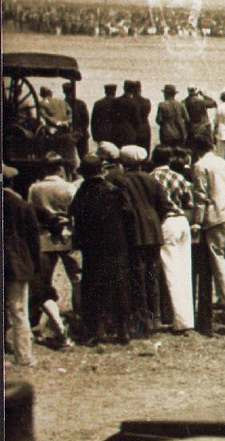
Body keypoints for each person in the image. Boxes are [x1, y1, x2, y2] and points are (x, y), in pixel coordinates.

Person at [69, 154, 134, 345]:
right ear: (101, 170)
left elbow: (74, 216)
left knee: (94, 287)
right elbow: (128, 215)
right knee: (119, 285)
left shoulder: (82, 193)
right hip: (116, 245)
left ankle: (98, 329)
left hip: (92, 248)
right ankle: (123, 329)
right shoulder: (113, 190)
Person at [116, 145, 171, 336]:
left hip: (135, 234)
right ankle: (155, 317)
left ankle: (141, 321)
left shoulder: (121, 182)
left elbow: (125, 209)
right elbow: (165, 205)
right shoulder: (151, 180)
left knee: (137, 278)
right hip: (154, 232)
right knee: (152, 275)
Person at [191, 132, 225, 315]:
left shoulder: (200, 166)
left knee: (218, 258)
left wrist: (197, 222)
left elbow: (201, 196)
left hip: (218, 214)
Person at [149, 146, 196, 333]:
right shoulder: (179, 177)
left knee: (170, 272)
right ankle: (186, 317)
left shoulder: (152, 178)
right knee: (184, 270)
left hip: (166, 222)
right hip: (182, 221)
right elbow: (189, 203)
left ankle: (178, 320)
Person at [27, 153, 81, 313]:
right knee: (76, 277)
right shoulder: (69, 187)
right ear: (60, 169)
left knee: (44, 280)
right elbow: (75, 212)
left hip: (44, 237)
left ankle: (46, 315)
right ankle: (79, 311)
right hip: (67, 236)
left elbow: (32, 211)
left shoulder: (34, 188)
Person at [4, 163, 41, 366]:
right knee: (19, 311)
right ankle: (23, 355)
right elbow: (33, 239)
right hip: (17, 263)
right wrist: (35, 264)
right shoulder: (23, 206)